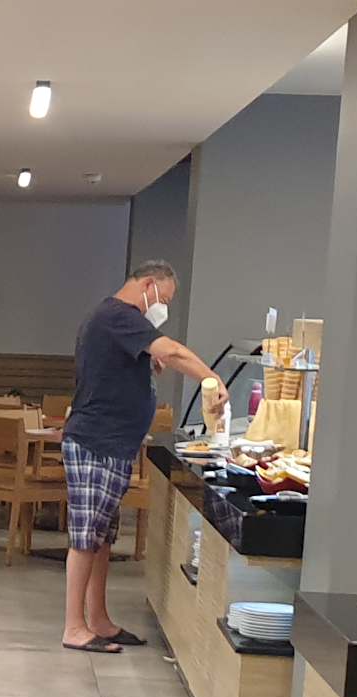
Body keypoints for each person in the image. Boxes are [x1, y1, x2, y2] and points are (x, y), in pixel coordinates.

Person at [59, 260, 226, 654]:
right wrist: (212, 378)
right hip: (96, 442)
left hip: (111, 444)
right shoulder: (119, 315)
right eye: (164, 299)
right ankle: (74, 626)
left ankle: (98, 619)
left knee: (101, 538)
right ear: (149, 284)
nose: (163, 308)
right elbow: (173, 350)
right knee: (85, 538)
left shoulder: (113, 320)